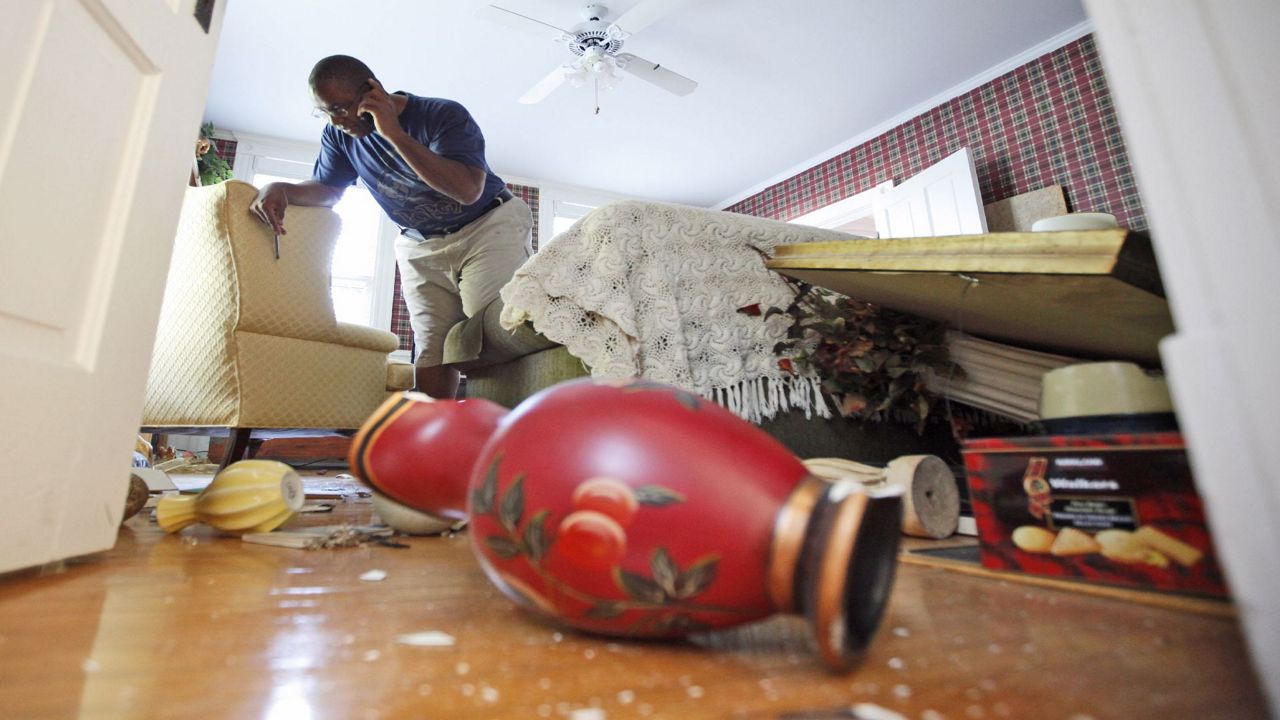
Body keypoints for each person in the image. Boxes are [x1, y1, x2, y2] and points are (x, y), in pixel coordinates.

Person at [250, 55, 532, 399]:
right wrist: (282, 188)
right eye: (325, 112)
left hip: (487, 224)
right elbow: (328, 190)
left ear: (372, 91)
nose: (336, 121)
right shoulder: (338, 137)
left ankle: (506, 434)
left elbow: (468, 190)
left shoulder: (441, 114)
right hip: (418, 243)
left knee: (487, 331)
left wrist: (394, 134)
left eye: (340, 108)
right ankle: (436, 439)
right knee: (432, 347)